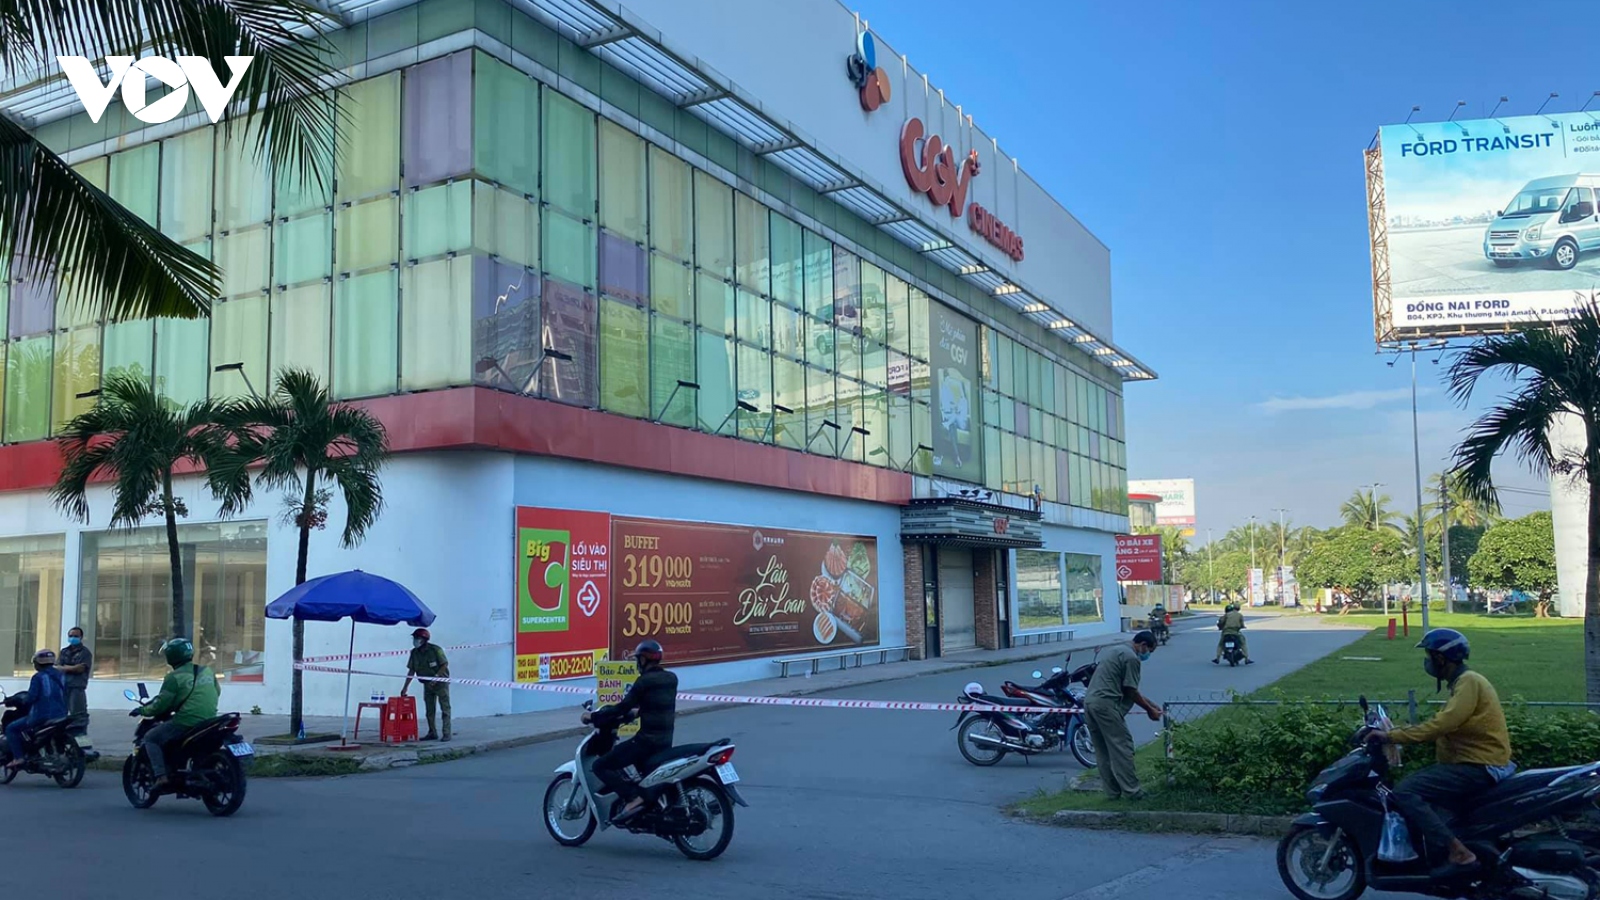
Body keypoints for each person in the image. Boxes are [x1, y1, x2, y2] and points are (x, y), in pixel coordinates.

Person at [1369, 629, 1511, 872]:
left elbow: (1442, 724)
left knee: (1405, 791)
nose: (1427, 662)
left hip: (1477, 765)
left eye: (1429, 656)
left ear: (1441, 658)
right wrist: (1400, 730)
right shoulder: (1462, 684)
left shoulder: (1469, 682)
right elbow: (1444, 724)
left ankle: (1458, 851)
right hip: (1471, 763)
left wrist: (1391, 735)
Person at [584, 640, 678, 823]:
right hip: (665, 741)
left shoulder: (644, 681)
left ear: (643, 660)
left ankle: (633, 797)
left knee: (600, 766)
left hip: (646, 742)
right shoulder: (671, 679)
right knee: (641, 772)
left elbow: (622, 707)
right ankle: (648, 802)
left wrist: (592, 717)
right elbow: (658, 705)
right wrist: (638, 713)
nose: (637, 663)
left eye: (638, 659)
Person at [130, 638, 220, 792]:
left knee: (151, 737)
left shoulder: (174, 677)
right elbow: (217, 691)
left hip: (186, 721)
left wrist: (142, 710)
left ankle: (161, 776)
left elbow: (161, 705)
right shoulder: (206, 671)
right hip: (210, 720)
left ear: (171, 657)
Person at [1082, 631, 1163, 800]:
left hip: (1090, 703)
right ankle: (1133, 792)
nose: (1148, 655)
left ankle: (1112, 793)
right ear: (1143, 645)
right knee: (1122, 747)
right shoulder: (1132, 658)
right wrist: (1149, 710)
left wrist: (1150, 704)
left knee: (1103, 750)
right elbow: (1130, 690)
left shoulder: (1116, 650)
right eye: (1149, 651)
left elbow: (1126, 688)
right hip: (1106, 705)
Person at [5, 650, 67, 769]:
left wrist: (21, 701)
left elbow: (31, 697)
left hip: (42, 715)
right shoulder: (61, 675)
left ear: (38, 663)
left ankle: (19, 757)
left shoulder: (38, 677)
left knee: (11, 728)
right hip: (61, 714)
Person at [401, 628, 450, 742]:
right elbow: (411, 670)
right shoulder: (414, 653)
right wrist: (405, 687)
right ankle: (432, 732)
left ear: (424, 639)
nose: (415, 640)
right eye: (414, 638)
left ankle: (446, 733)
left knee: (445, 709)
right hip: (427, 684)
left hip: (441, 683)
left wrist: (436, 677)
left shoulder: (435, 650)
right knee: (429, 710)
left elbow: (444, 664)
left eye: (417, 638)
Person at [58, 627, 93, 749]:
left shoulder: (85, 653)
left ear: (81, 637)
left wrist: (65, 668)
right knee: (61, 717)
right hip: (63, 688)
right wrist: (70, 668)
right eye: (71, 635)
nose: (73, 638)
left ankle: (83, 747)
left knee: (79, 718)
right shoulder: (64, 652)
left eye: (76, 636)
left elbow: (80, 668)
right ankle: (64, 744)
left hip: (77, 688)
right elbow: (57, 667)